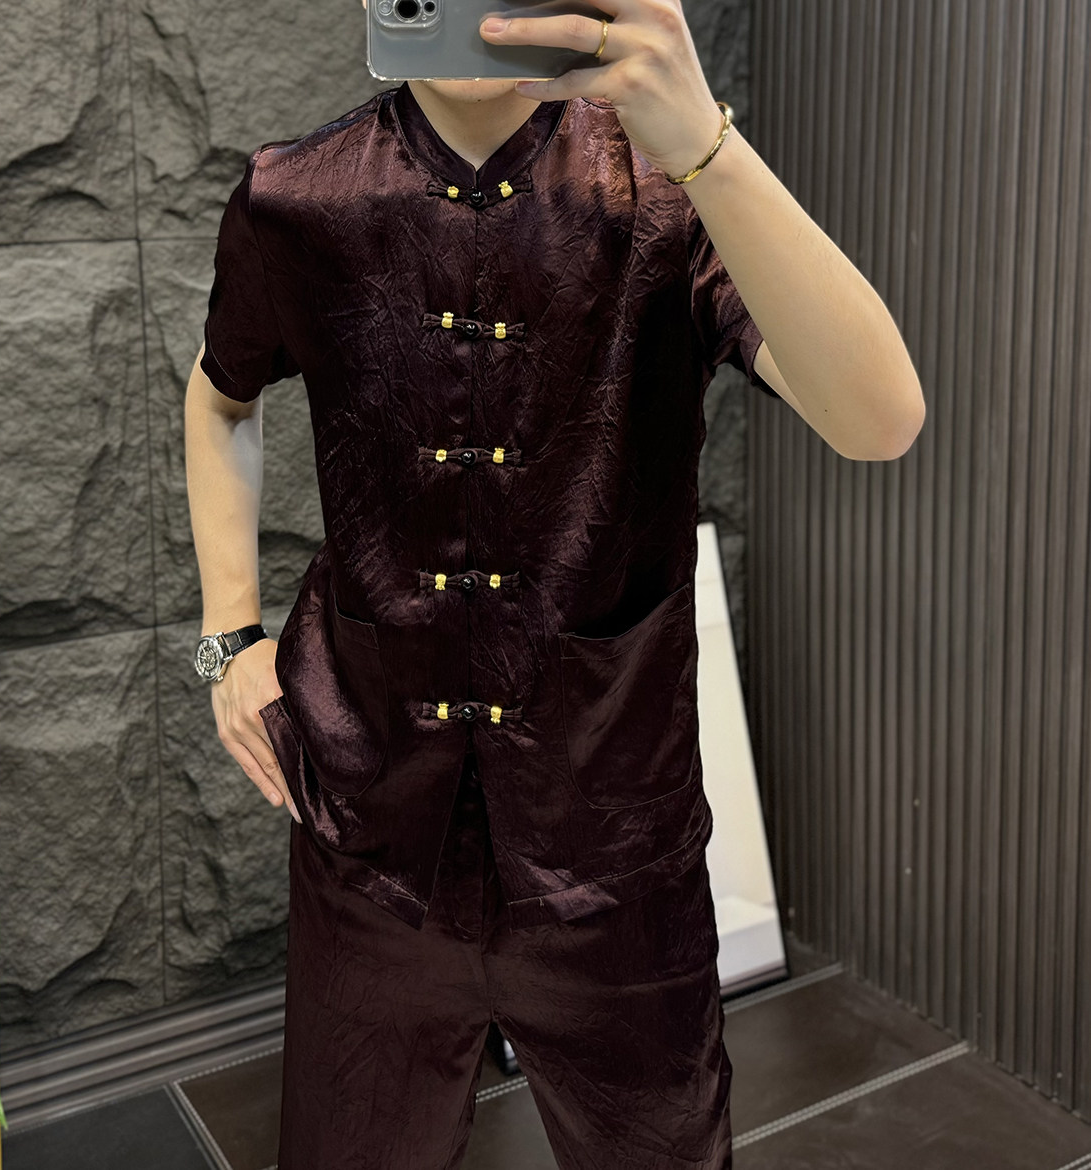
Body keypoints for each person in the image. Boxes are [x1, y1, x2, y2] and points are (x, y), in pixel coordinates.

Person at [185, 2, 924, 1166]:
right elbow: (221, 392)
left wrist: (708, 144)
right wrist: (230, 637)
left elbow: (879, 420)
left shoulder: (667, 194)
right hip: (372, 832)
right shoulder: (298, 197)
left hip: (614, 842)